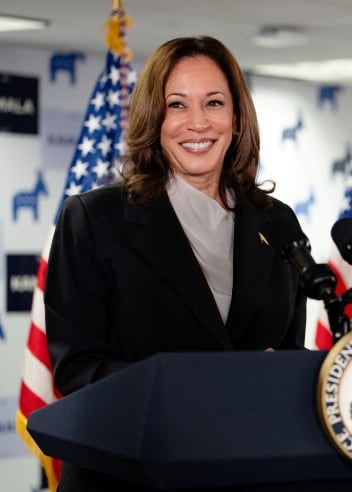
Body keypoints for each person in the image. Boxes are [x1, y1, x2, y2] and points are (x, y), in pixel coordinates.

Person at [44, 36, 307, 491]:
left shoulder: (277, 221)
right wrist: (205, 384)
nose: (198, 122)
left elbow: (285, 353)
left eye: (214, 102)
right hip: (129, 476)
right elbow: (78, 370)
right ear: (154, 118)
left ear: (237, 117)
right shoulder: (93, 219)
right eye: (178, 105)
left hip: (247, 474)